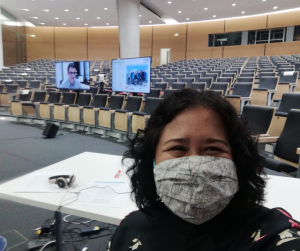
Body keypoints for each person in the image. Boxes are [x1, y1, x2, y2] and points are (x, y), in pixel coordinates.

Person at [107, 89, 300, 251]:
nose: (195, 165)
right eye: (178, 148)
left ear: (237, 159)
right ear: (152, 161)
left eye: (212, 149)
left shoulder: (275, 236)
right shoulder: (130, 230)